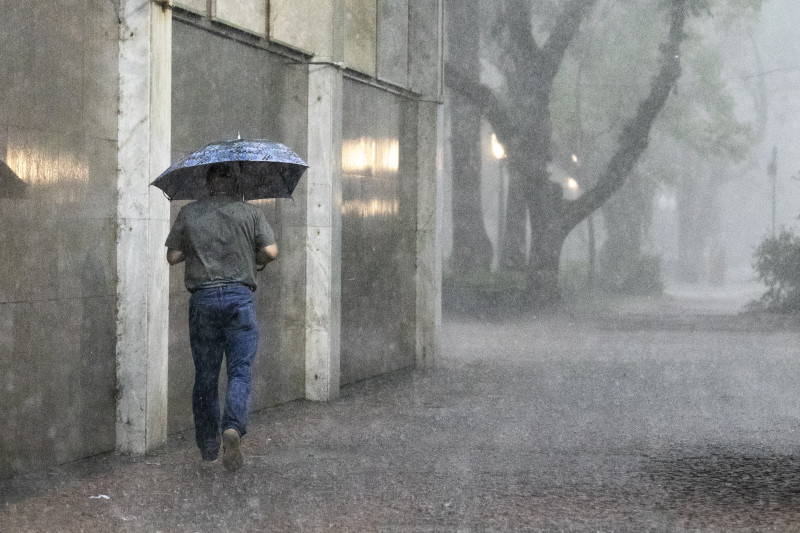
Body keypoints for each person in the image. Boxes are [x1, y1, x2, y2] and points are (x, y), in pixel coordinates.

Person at [165, 162, 278, 472]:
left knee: (205, 374)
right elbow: (271, 251)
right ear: (234, 181)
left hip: (203, 301)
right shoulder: (250, 213)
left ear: (208, 181)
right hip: (239, 299)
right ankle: (232, 426)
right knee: (240, 370)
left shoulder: (189, 213)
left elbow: (172, 257)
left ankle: (208, 447)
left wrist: (199, 249)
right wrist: (247, 255)